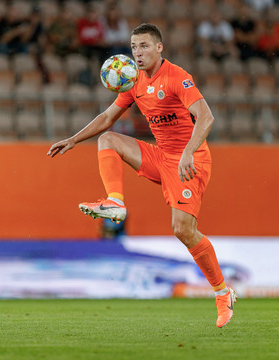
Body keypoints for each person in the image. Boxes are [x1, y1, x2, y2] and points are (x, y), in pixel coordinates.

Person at [47, 24, 237, 328]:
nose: (138, 52)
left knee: (183, 230)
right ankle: (116, 202)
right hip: (161, 156)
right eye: (134, 47)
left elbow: (206, 116)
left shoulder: (176, 77)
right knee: (107, 139)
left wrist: (189, 151)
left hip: (190, 159)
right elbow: (108, 117)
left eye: (144, 46)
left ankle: (223, 293)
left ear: (159, 48)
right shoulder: (132, 81)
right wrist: (73, 138)